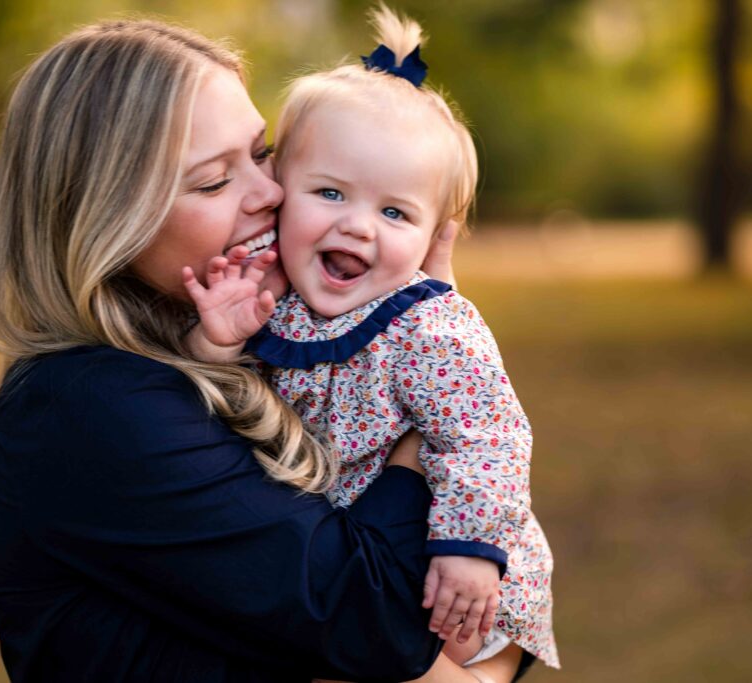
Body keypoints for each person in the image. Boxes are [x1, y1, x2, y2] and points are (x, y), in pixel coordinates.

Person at [0, 18, 471, 682]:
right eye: (212, 182)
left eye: (261, 153)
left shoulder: (249, 344)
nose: (272, 193)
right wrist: (435, 409)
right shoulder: (89, 404)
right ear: (108, 219)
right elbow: (380, 622)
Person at [181, 5, 559, 678]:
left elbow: (490, 436)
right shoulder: (271, 295)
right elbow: (215, 403)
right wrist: (213, 343)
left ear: (433, 234)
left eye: (394, 212)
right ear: (280, 194)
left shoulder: (427, 326)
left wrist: (469, 547)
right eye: (329, 192)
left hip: (451, 564)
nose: (358, 227)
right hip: (347, 560)